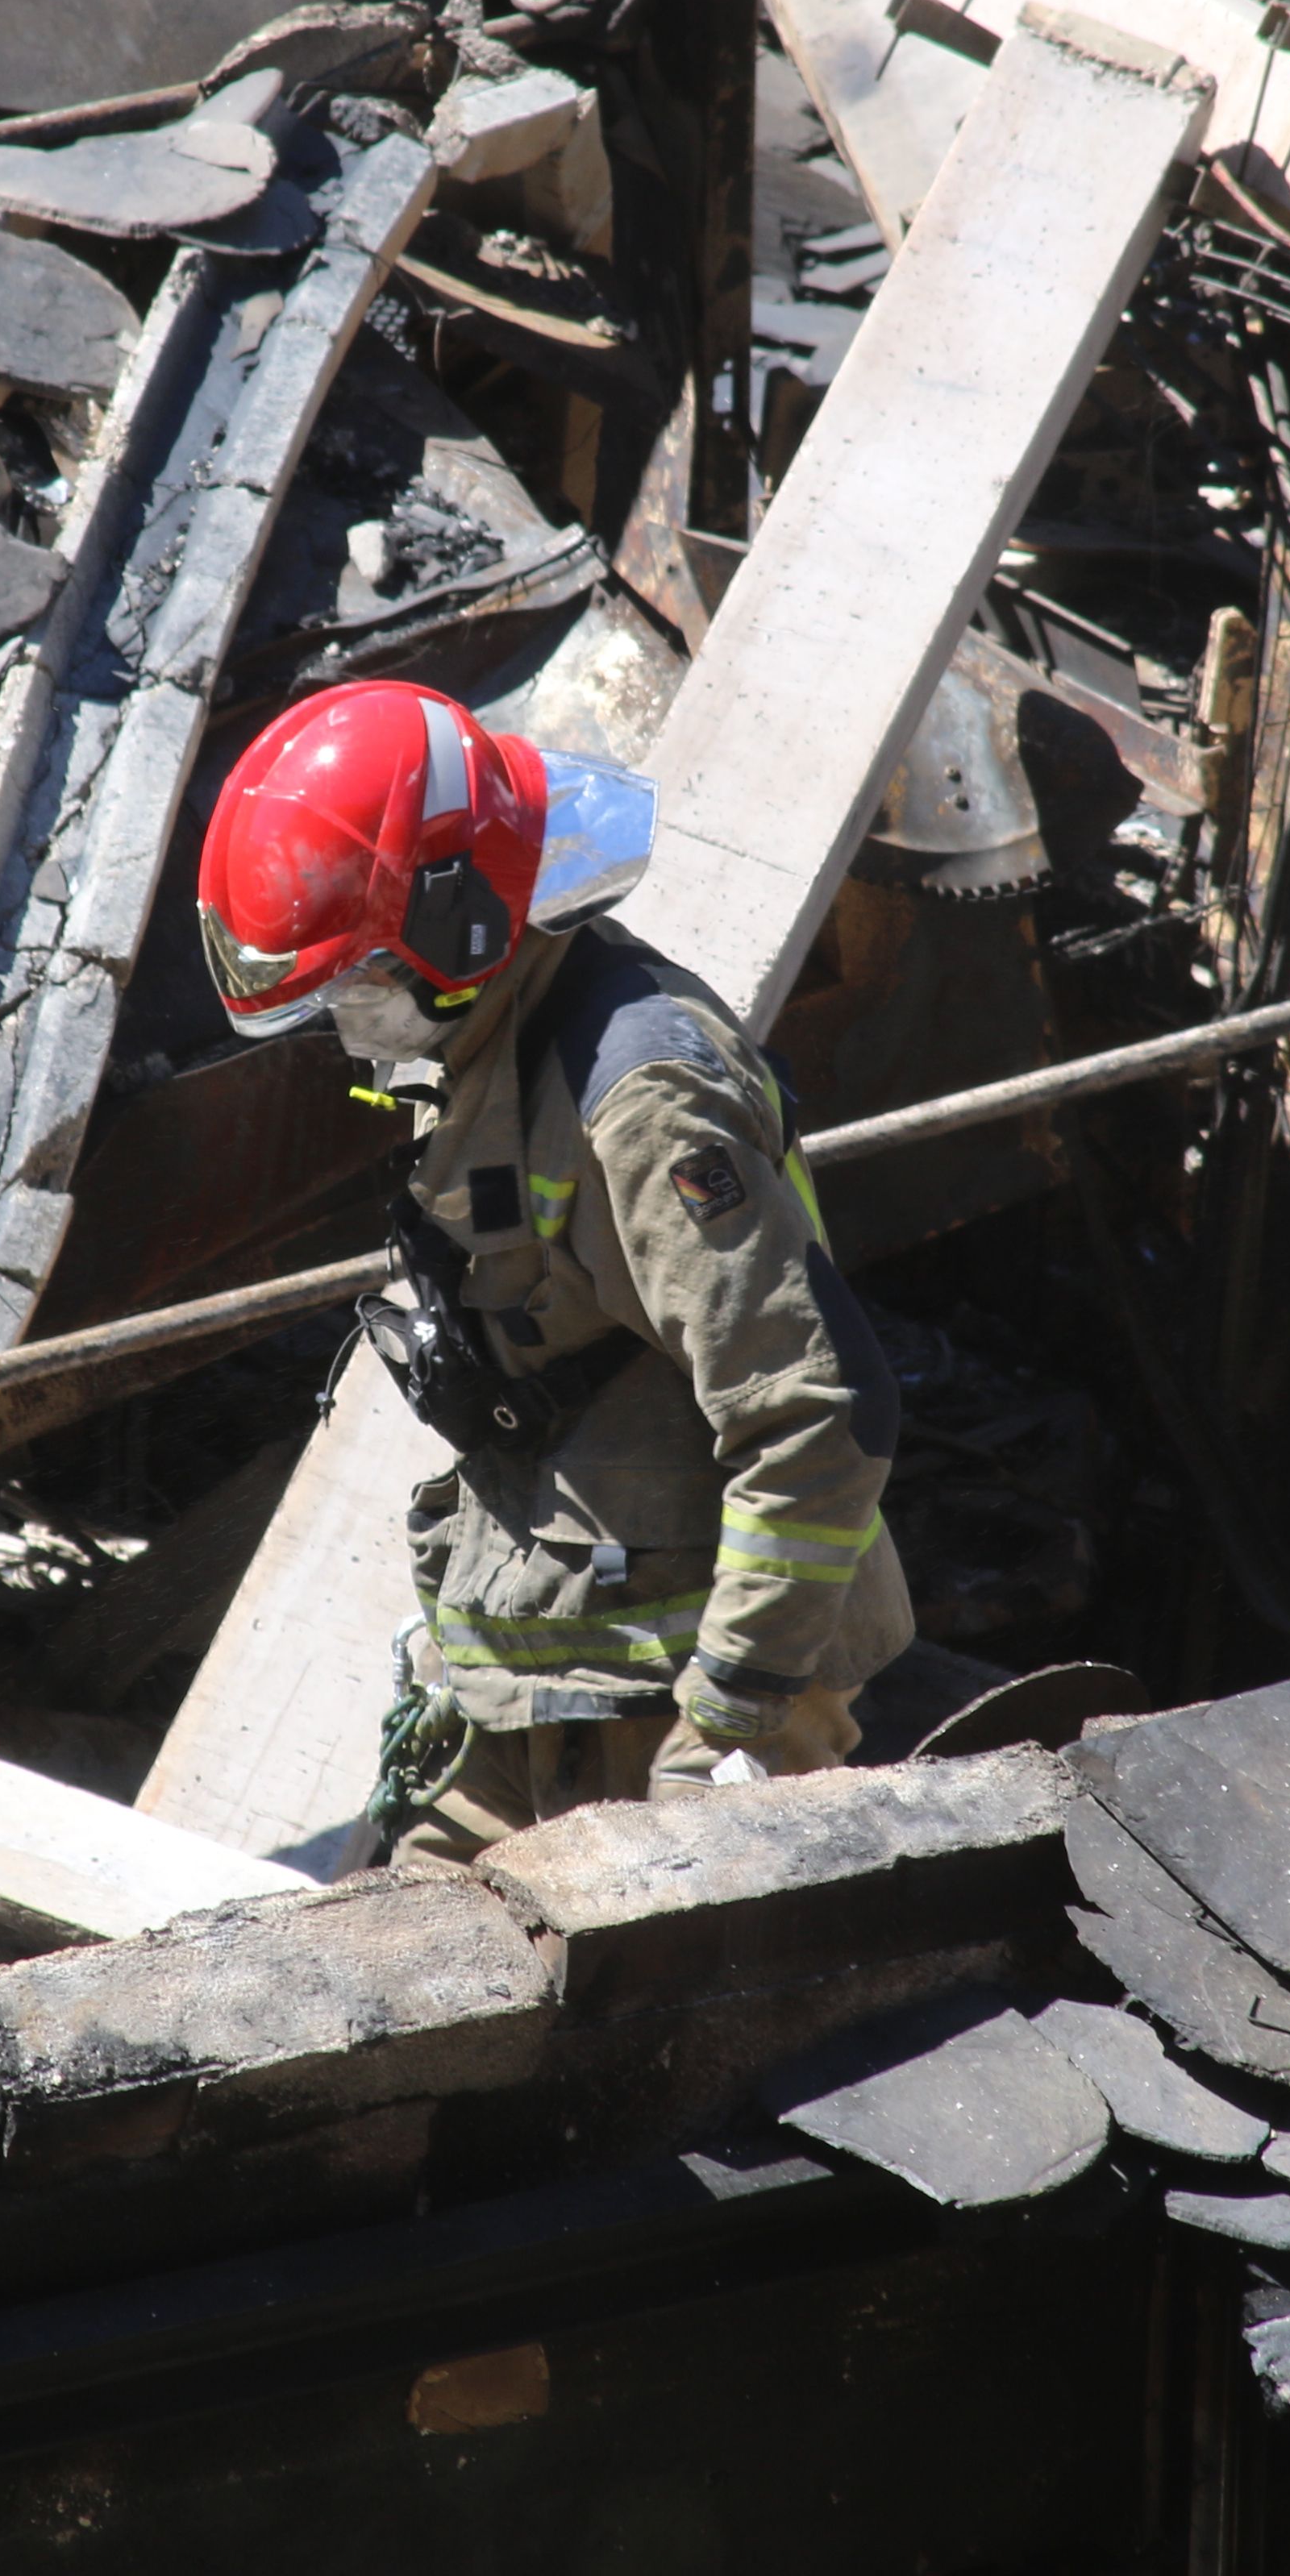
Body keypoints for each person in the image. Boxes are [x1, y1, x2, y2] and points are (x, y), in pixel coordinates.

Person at [194, 680, 913, 1863]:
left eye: (357, 989)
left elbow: (816, 1419)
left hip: (678, 1690)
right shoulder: (500, 1035)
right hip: (544, 1681)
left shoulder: (641, 1102)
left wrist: (726, 1730)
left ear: (465, 921)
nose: (347, 1029)